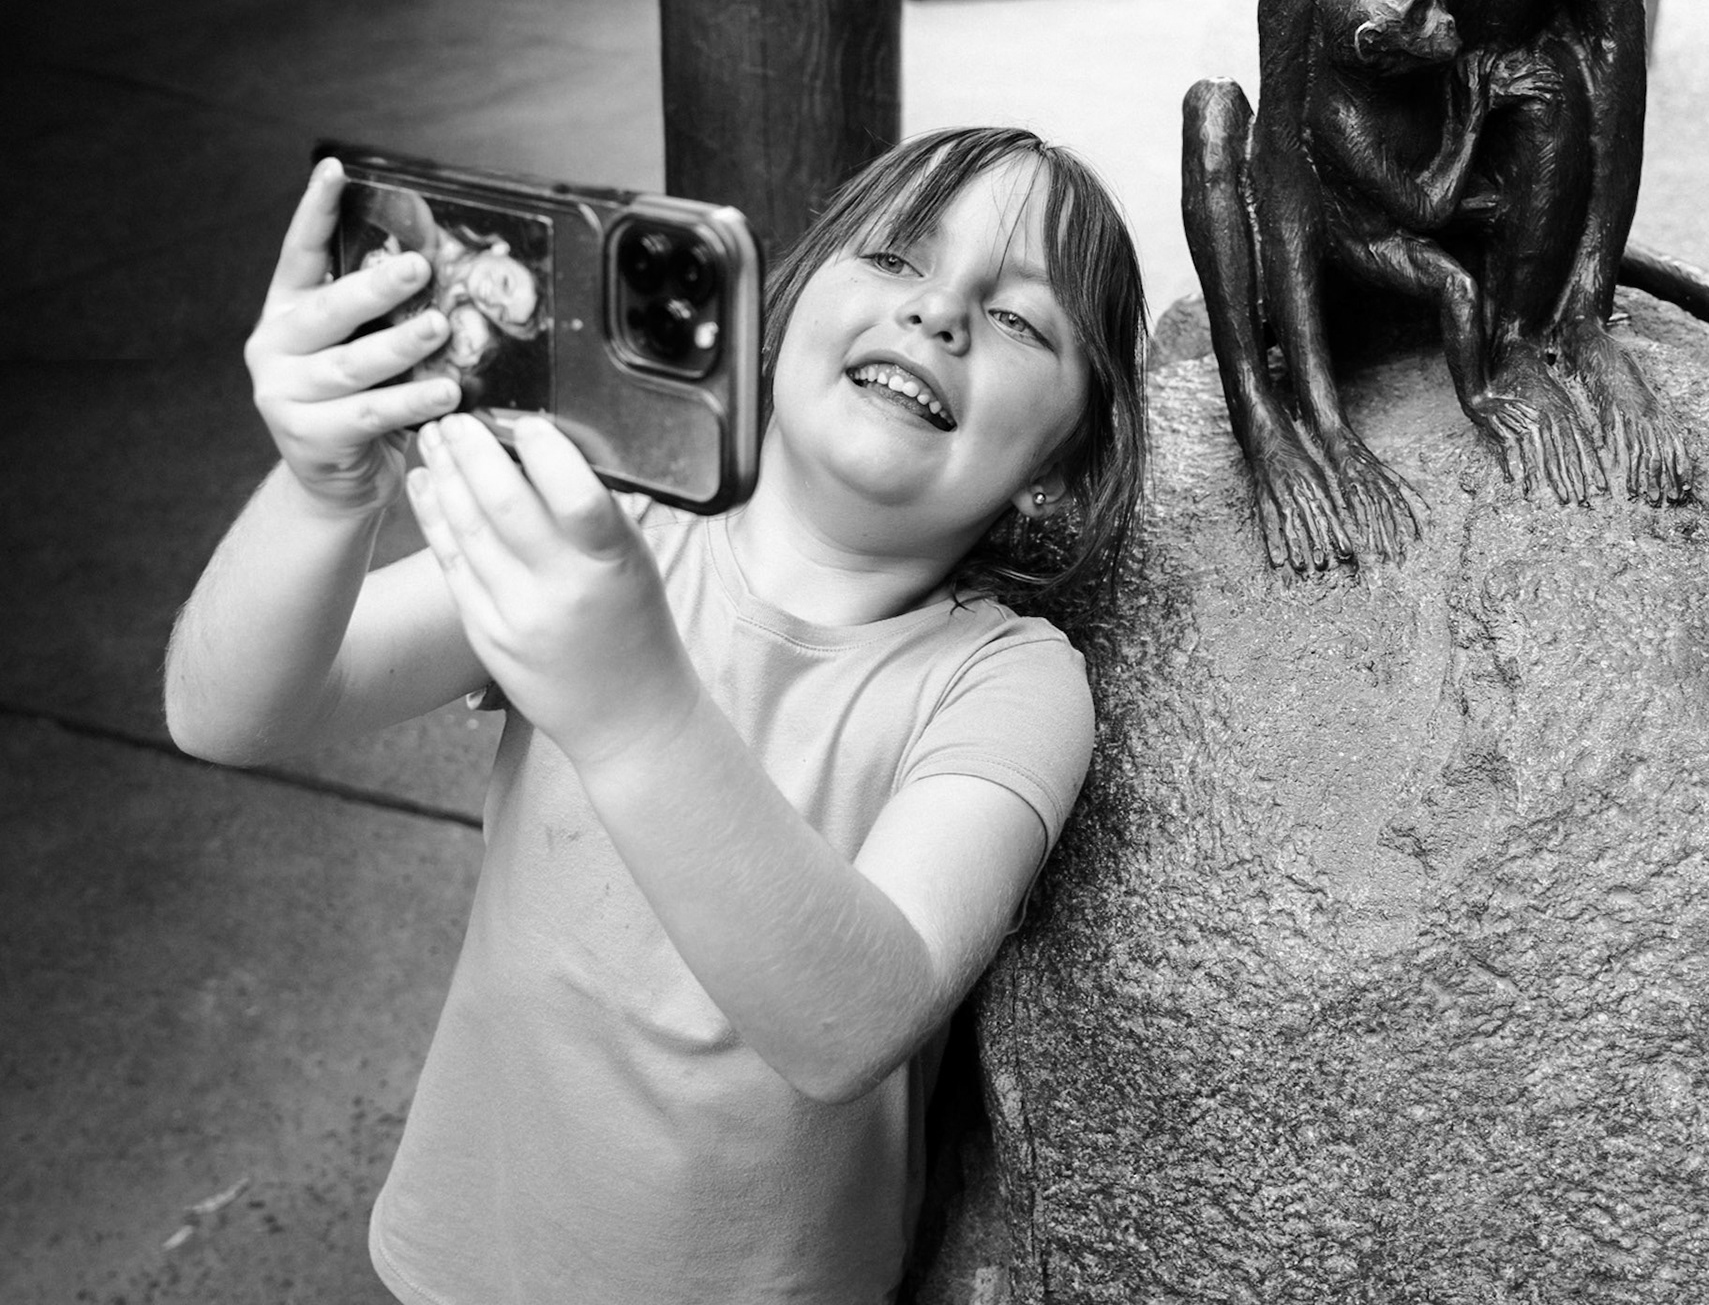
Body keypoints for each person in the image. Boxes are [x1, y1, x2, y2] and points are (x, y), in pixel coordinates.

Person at [164, 125, 1149, 1305]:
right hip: (472, 1257)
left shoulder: (1009, 683)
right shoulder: (608, 527)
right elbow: (231, 714)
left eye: (1021, 320)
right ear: (777, 312)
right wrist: (324, 489)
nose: (940, 312)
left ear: (1062, 463)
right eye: (896, 258)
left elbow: (852, 1022)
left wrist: (632, 709)